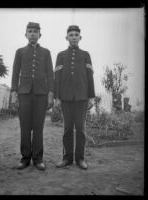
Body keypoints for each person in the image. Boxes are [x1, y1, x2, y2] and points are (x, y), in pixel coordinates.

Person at [11, 22, 54, 170]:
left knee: (38, 127)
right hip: (24, 93)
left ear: (39, 35)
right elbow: (15, 73)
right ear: (26, 34)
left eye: (35, 31)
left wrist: (50, 94)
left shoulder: (46, 52)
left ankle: (38, 159)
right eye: (30, 31)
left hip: (41, 94)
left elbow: (50, 74)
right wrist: (14, 93)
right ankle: (25, 158)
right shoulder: (20, 52)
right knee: (25, 127)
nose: (33, 33)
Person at [54, 25, 95, 169]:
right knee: (67, 129)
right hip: (65, 98)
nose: (74, 37)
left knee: (81, 129)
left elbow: (90, 76)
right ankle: (67, 158)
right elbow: (57, 77)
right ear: (67, 38)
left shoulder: (85, 54)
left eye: (76, 35)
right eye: (71, 35)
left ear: (80, 38)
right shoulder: (61, 55)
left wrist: (91, 96)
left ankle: (80, 159)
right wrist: (57, 97)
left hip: (82, 98)